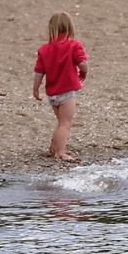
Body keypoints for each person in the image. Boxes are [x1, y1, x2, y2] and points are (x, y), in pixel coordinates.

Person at [33, 12, 89, 162]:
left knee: (60, 122)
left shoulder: (44, 50)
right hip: (66, 94)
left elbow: (39, 72)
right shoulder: (73, 45)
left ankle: (53, 148)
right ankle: (61, 152)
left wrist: (36, 89)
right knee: (66, 123)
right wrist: (83, 72)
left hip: (52, 94)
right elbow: (82, 63)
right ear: (70, 27)